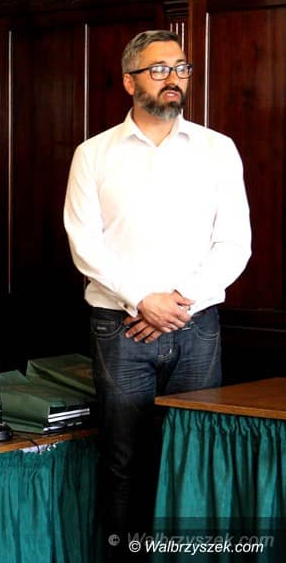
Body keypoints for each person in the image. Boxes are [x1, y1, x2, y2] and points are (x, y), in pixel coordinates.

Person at [63, 30, 251, 556]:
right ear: (130, 82)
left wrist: (177, 301)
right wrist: (141, 300)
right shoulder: (93, 154)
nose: (174, 79)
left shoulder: (218, 149)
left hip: (197, 326)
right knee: (124, 460)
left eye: (182, 68)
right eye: (160, 69)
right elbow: (84, 243)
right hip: (120, 327)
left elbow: (235, 242)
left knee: (193, 457)